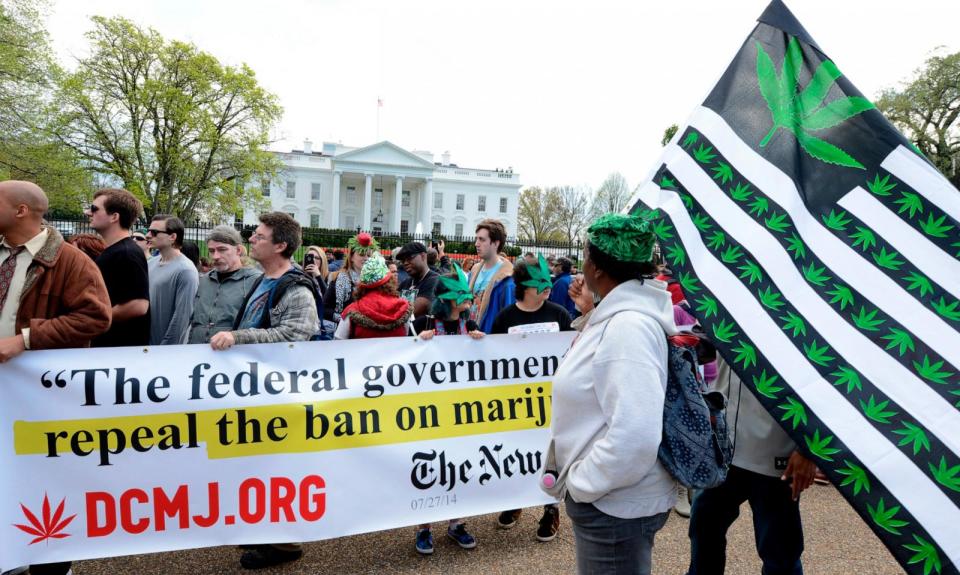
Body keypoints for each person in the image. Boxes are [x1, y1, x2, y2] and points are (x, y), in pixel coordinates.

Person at [541, 212, 678, 575]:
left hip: (615, 505)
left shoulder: (627, 328)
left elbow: (635, 434)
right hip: (613, 501)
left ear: (598, 268)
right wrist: (591, 309)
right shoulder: (621, 318)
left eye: (585, 254)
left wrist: (584, 485)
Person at [0, 181, 112, 575]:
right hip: (3, 391)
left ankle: (51, 563)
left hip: (41, 396)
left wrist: (26, 340)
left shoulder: (69, 260)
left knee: (46, 478)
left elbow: (97, 317)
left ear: (20, 211)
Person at [209, 212, 318, 570]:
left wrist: (238, 338)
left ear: (281, 245)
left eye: (259, 236)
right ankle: (265, 531)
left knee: (276, 469)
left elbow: (295, 335)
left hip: (279, 396)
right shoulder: (263, 280)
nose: (251, 240)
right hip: (255, 392)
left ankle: (284, 545)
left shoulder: (296, 287)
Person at [686, 356, 816, 575]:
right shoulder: (726, 320)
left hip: (775, 452)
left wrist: (809, 449)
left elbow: (823, 381)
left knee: (780, 553)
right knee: (704, 532)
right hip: (721, 447)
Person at [492, 254, 572, 542]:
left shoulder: (560, 315)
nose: (547, 285)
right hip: (516, 404)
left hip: (551, 403)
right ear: (524, 286)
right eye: (540, 282)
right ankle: (515, 501)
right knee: (516, 452)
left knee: (550, 455)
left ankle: (551, 509)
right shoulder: (505, 318)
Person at [412, 263, 482, 555]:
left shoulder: (471, 324)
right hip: (432, 411)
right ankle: (424, 527)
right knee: (431, 466)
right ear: (448, 298)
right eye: (462, 294)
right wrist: (419, 342)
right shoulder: (425, 324)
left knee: (460, 466)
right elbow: (405, 360)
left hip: (462, 411)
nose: (469, 299)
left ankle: (457, 523)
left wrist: (482, 342)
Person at [87, 188, 151, 348]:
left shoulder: (127, 253)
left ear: (114, 217)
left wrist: (92, 320)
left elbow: (138, 305)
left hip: (118, 354)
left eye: (94, 209)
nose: (89, 213)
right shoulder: (117, 251)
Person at [188, 225, 262, 344]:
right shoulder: (205, 280)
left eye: (222, 249)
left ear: (238, 250)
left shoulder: (256, 281)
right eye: (211, 251)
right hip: (199, 353)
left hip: (235, 355)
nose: (215, 256)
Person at [334, 253, 413, 339]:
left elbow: (338, 342)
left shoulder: (352, 310)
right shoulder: (404, 307)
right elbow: (409, 338)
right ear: (390, 280)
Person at [147, 214, 199, 345]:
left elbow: (182, 317)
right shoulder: (150, 263)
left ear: (172, 237)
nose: (148, 235)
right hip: (144, 348)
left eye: (154, 232)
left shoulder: (186, 270)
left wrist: (166, 349)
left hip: (165, 352)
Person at [467, 219, 515, 333]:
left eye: (482, 239)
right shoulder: (474, 271)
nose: (476, 244)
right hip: (469, 336)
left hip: (491, 339)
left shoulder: (507, 279)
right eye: (476, 239)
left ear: (496, 243)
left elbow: (508, 319)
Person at [325, 232, 378, 323]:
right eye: (361, 254)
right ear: (351, 258)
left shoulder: (378, 280)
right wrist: (346, 320)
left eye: (369, 255)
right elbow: (325, 309)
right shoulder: (339, 279)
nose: (366, 258)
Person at [397, 241, 440, 319]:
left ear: (423, 256)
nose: (405, 263)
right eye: (403, 261)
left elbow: (413, 312)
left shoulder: (435, 280)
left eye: (409, 258)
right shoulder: (405, 283)